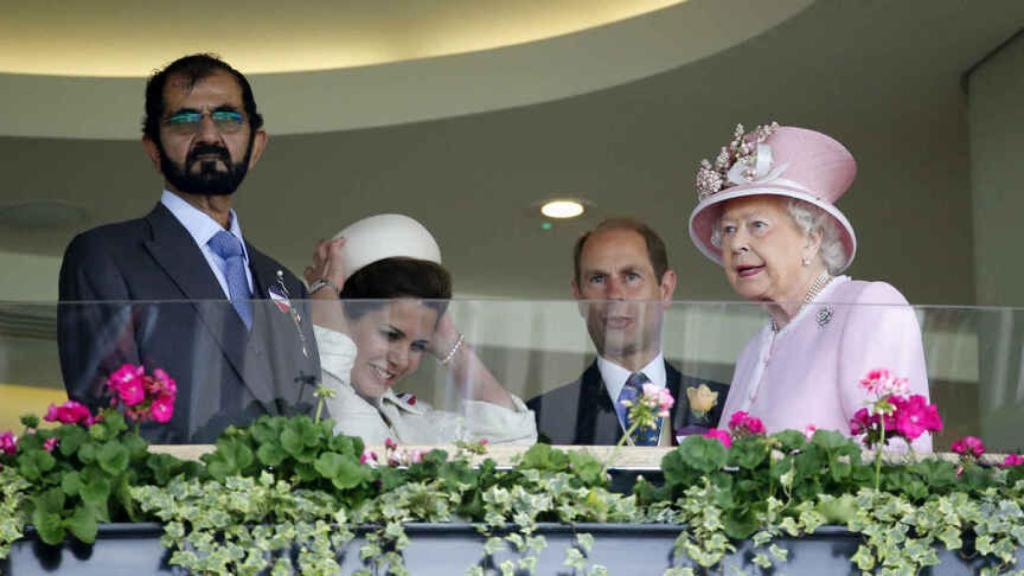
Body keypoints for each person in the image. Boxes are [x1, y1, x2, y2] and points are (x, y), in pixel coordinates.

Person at [58, 54, 320, 443]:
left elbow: (311, 417)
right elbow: (110, 422)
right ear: (153, 149)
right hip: (171, 499)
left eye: (228, 118)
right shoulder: (105, 256)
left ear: (257, 144)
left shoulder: (285, 284)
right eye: (184, 121)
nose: (209, 135)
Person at [687, 123, 932, 450]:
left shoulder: (866, 307)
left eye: (757, 226)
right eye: (729, 230)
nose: (737, 244)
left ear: (811, 239)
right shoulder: (755, 347)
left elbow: (896, 455)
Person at [305, 214, 536, 445]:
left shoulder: (411, 422)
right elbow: (350, 431)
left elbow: (513, 441)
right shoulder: (293, 402)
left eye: (418, 346)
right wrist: (326, 295)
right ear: (340, 316)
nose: (402, 360)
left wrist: (449, 342)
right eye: (391, 334)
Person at [527, 218, 728, 445]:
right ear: (579, 296)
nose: (614, 294)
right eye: (598, 279)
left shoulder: (729, 407)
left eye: (631, 276)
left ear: (665, 289)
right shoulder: (538, 419)